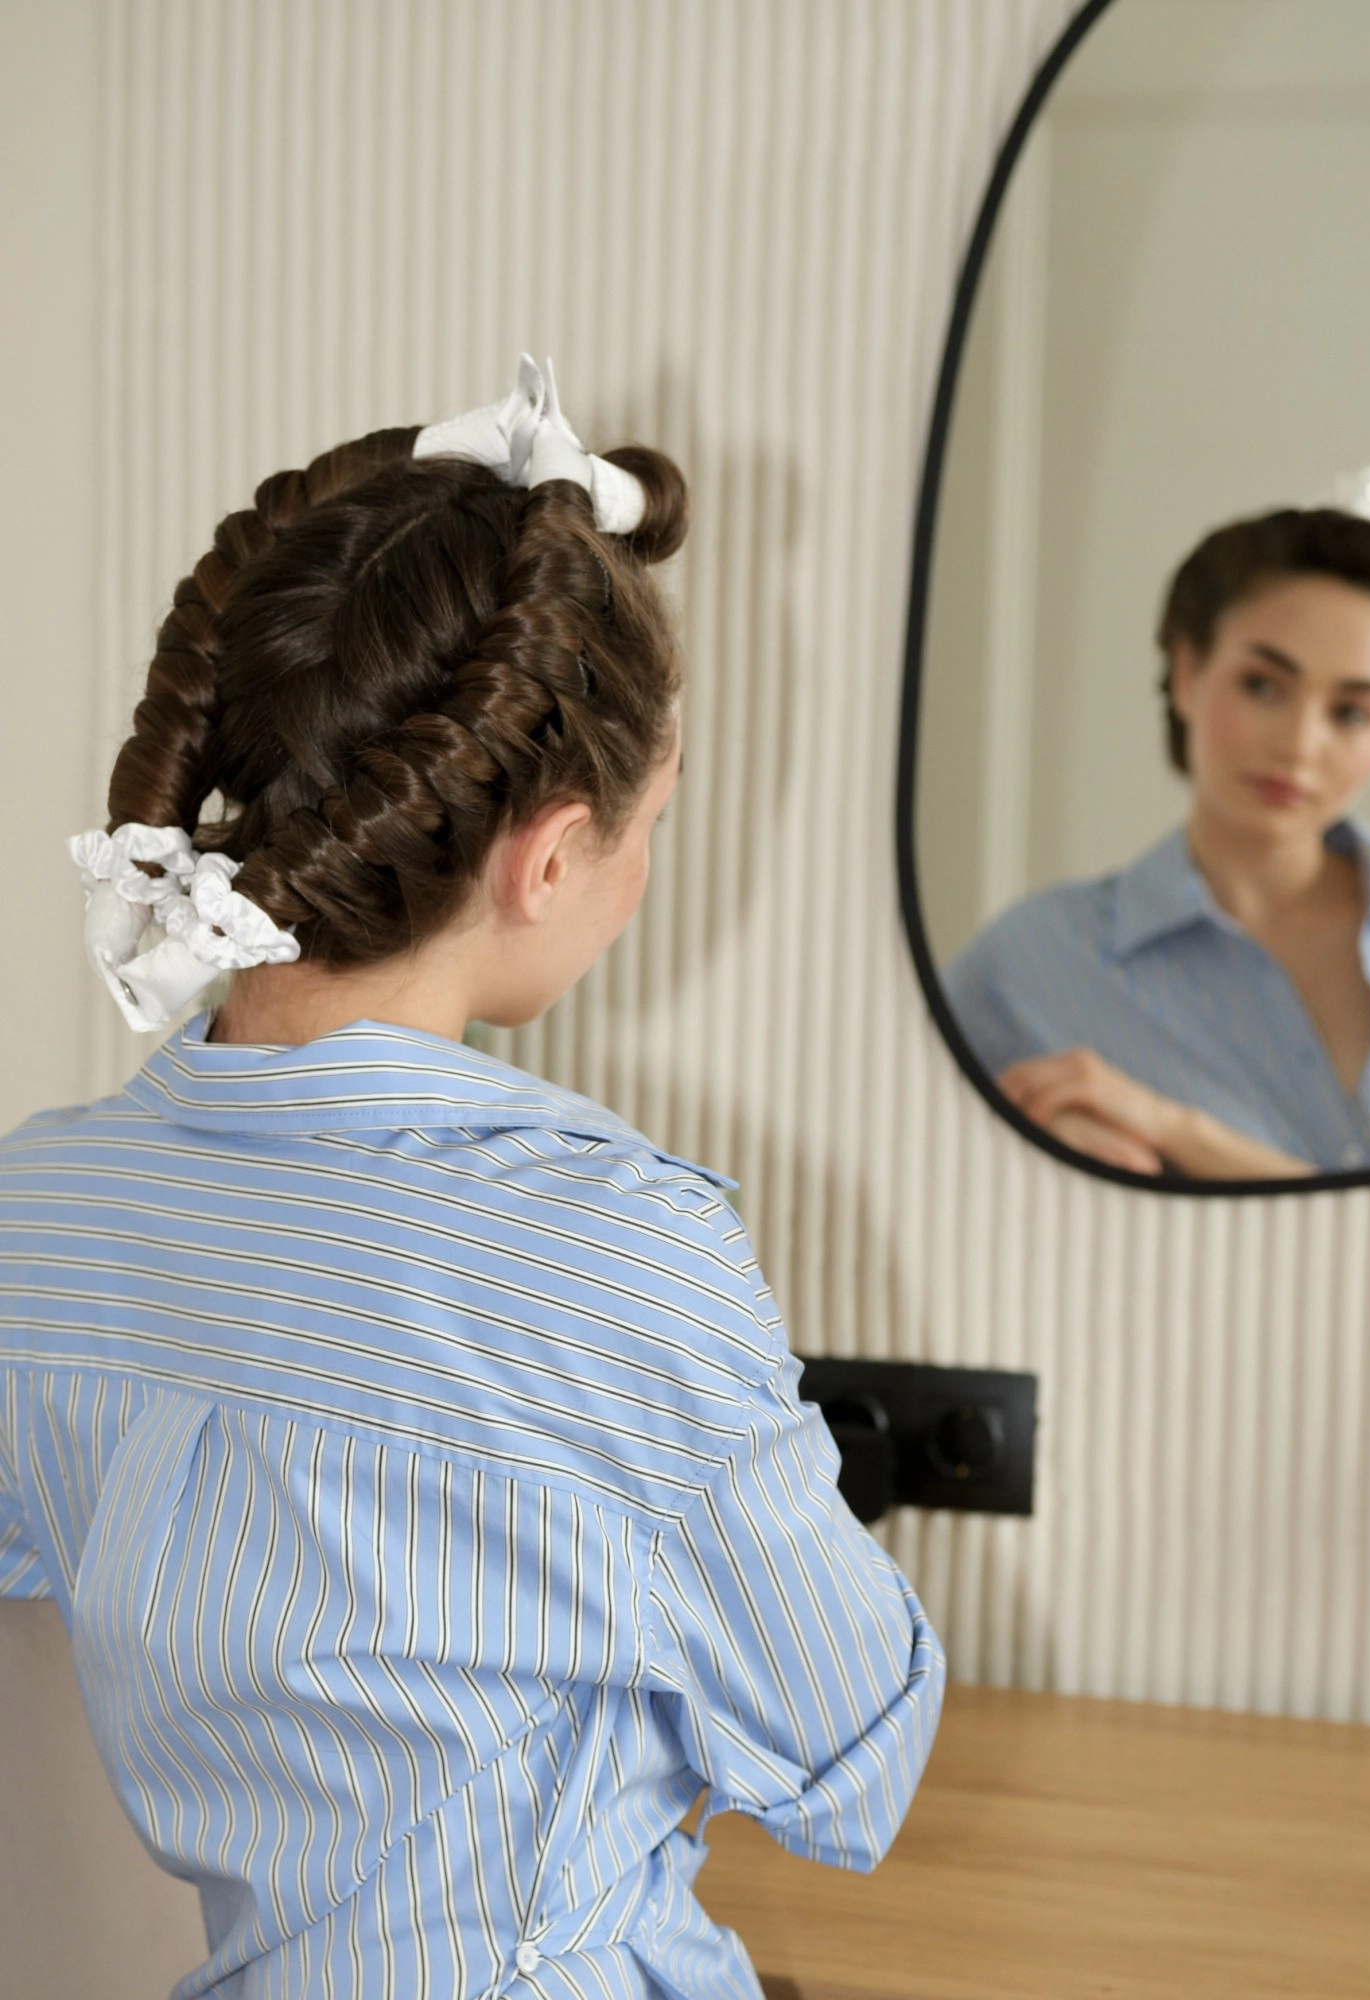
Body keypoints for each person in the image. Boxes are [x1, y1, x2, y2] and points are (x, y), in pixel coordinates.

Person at [0, 361, 943, 2000]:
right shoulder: (617, 1254)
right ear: (552, 853)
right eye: (653, 823)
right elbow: (852, 1764)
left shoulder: (41, 1214)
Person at [943, 505, 1370, 1177]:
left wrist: (1174, 1130)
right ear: (1187, 675)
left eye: (1351, 712)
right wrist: (1030, 1157)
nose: (1300, 744)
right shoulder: (1027, 966)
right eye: (1263, 686)